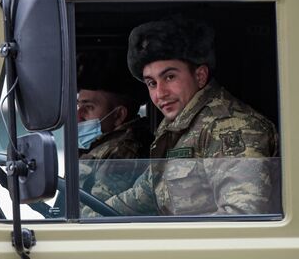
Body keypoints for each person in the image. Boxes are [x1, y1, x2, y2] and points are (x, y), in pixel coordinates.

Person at [103, 17, 279, 216]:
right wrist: (83, 215)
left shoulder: (229, 127)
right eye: (152, 83)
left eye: (169, 77)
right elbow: (142, 196)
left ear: (200, 76)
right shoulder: (179, 129)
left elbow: (240, 219)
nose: (160, 93)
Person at [77, 52, 153, 201]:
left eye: (88, 107)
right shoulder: (102, 145)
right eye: (78, 106)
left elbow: (96, 212)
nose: (78, 116)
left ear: (118, 115)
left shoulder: (125, 152)